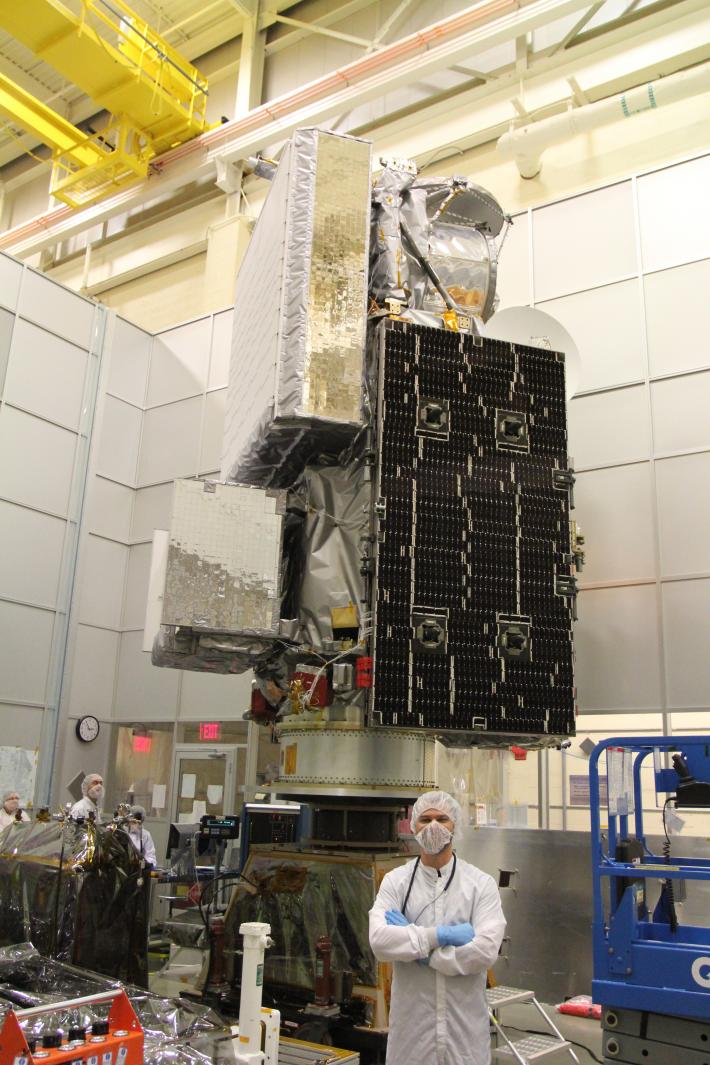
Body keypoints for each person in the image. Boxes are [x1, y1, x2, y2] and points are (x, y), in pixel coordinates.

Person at [369, 790, 506, 1065]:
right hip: (412, 1037)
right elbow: (380, 941)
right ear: (412, 826)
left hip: (464, 1035)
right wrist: (437, 937)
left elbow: (485, 951)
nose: (433, 826)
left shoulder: (480, 884)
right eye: (425, 819)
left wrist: (421, 951)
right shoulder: (396, 882)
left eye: (442, 819)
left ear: (455, 825)